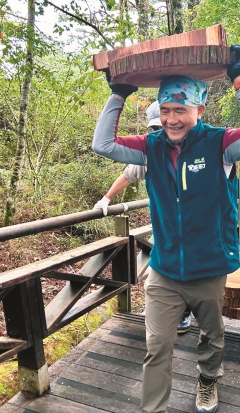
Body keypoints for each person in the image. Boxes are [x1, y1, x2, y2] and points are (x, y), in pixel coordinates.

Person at [92, 44, 240, 413]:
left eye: (181, 110)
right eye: (166, 111)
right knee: (156, 346)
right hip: (164, 269)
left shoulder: (219, 143)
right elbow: (103, 144)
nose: (172, 119)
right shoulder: (150, 146)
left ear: (199, 110)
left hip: (209, 268)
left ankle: (208, 381)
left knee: (212, 337)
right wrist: (118, 93)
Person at [93, 101, 193, 334]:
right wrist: (106, 199)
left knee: (188, 270)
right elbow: (128, 175)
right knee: (162, 272)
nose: (162, 132)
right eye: (156, 128)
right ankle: (167, 313)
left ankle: (185, 312)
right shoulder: (149, 154)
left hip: (193, 223)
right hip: (165, 225)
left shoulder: (195, 149)